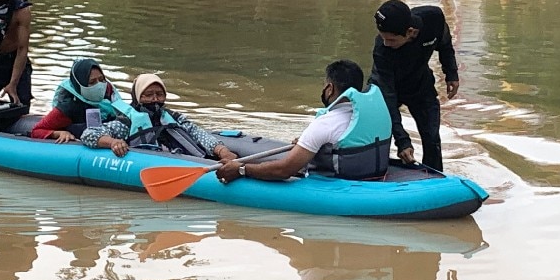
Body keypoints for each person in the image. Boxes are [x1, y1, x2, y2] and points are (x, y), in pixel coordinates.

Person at [215, 59, 391, 183]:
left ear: (329, 89)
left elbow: (284, 170)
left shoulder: (325, 123)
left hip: (336, 183)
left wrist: (241, 169)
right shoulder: (378, 113)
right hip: (373, 174)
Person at [369, 0, 459, 170]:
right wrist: (403, 141)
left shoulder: (433, 19)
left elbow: (445, 44)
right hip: (386, 88)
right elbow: (388, 97)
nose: (386, 43)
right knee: (378, 134)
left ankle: (435, 179)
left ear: (410, 32)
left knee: (432, 138)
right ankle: (377, 172)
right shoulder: (382, 50)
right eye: (383, 38)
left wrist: (451, 73)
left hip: (420, 85)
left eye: (392, 40)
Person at [80, 73, 239, 161]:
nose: (155, 99)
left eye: (159, 94)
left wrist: (221, 150)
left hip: (185, 159)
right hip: (151, 162)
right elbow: (89, 134)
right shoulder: (127, 123)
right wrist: (113, 142)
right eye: (148, 95)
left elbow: (198, 133)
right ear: (137, 98)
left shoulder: (173, 117)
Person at [30, 58, 148, 142]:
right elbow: (36, 130)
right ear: (79, 84)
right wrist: (58, 133)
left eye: (101, 79)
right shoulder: (69, 107)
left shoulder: (110, 99)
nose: (99, 85)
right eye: (92, 82)